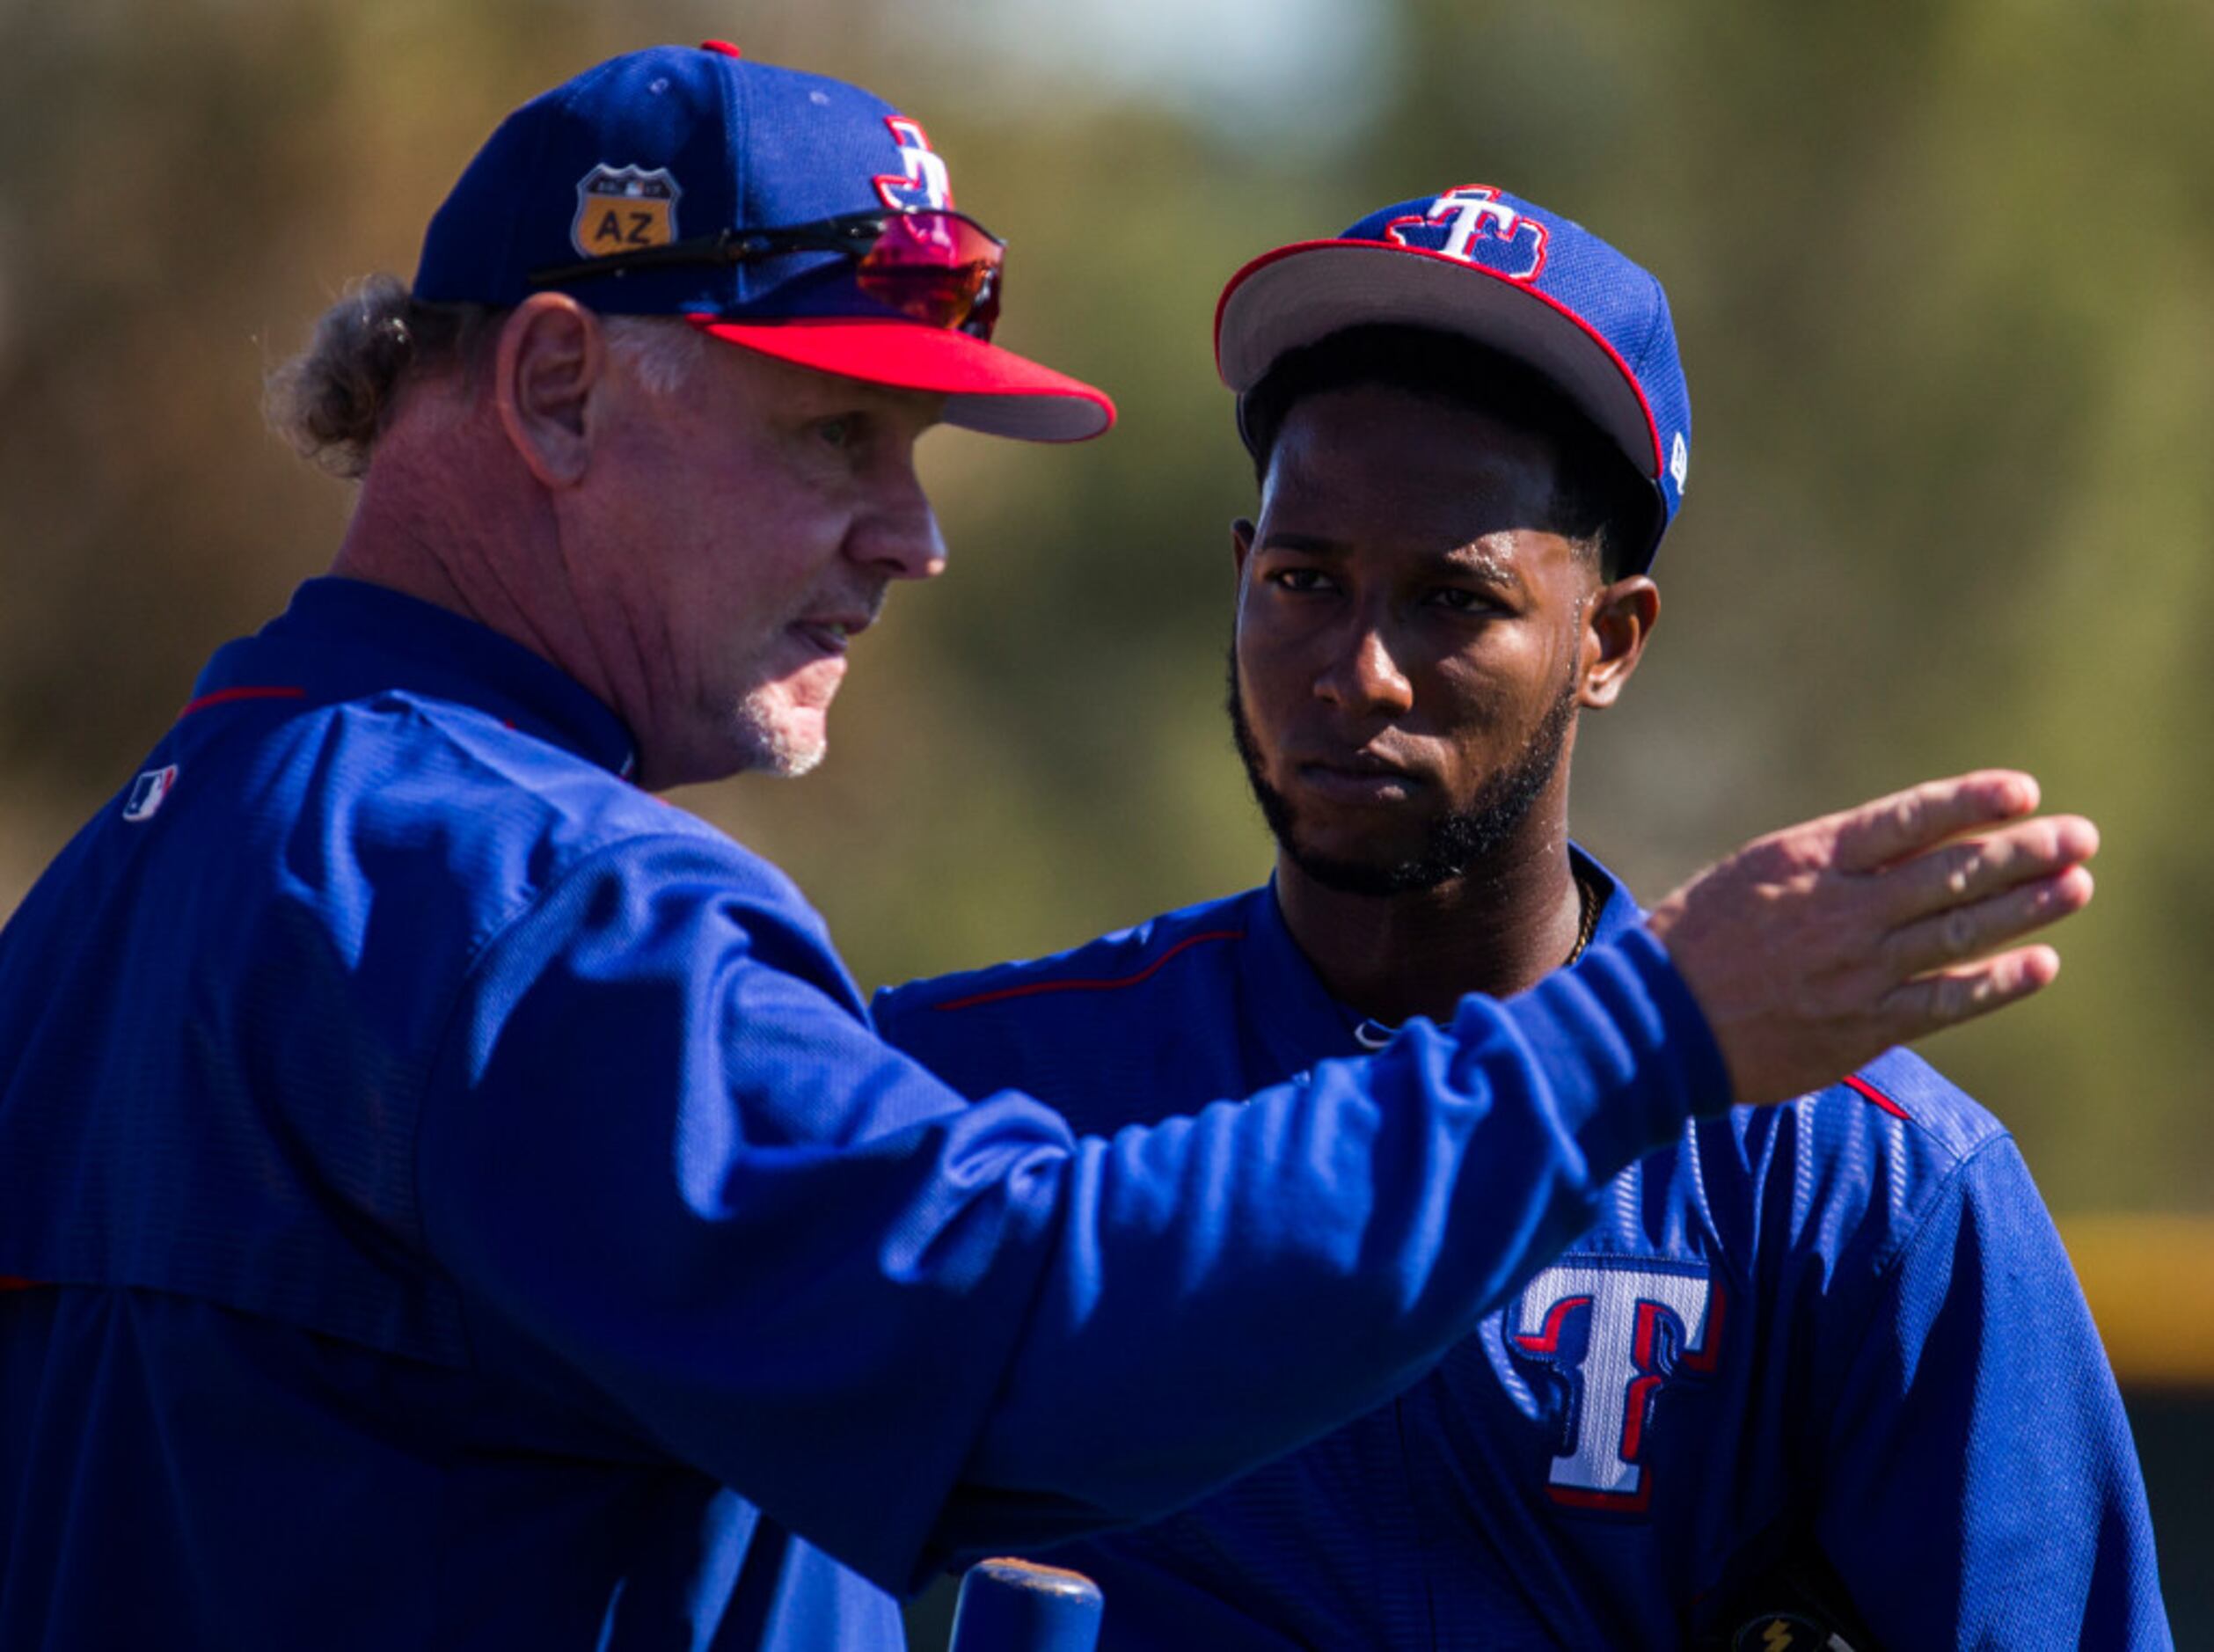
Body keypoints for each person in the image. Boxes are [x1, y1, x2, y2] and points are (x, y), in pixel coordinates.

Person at [0, 48, 2100, 1652]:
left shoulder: (129, 872)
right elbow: (1025, 1352)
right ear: (554, 387)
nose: (910, 532)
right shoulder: (545, 904)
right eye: (836, 430)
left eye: (1449, 592)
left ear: (1609, 640)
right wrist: (1640, 1038)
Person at [876, 187, 2166, 1648]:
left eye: (1450, 599)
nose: (1356, 668)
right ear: (1238, 575)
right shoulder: (971, 1083)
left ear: (1605, 643)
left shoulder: (1855, 1179)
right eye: (1303, 580)